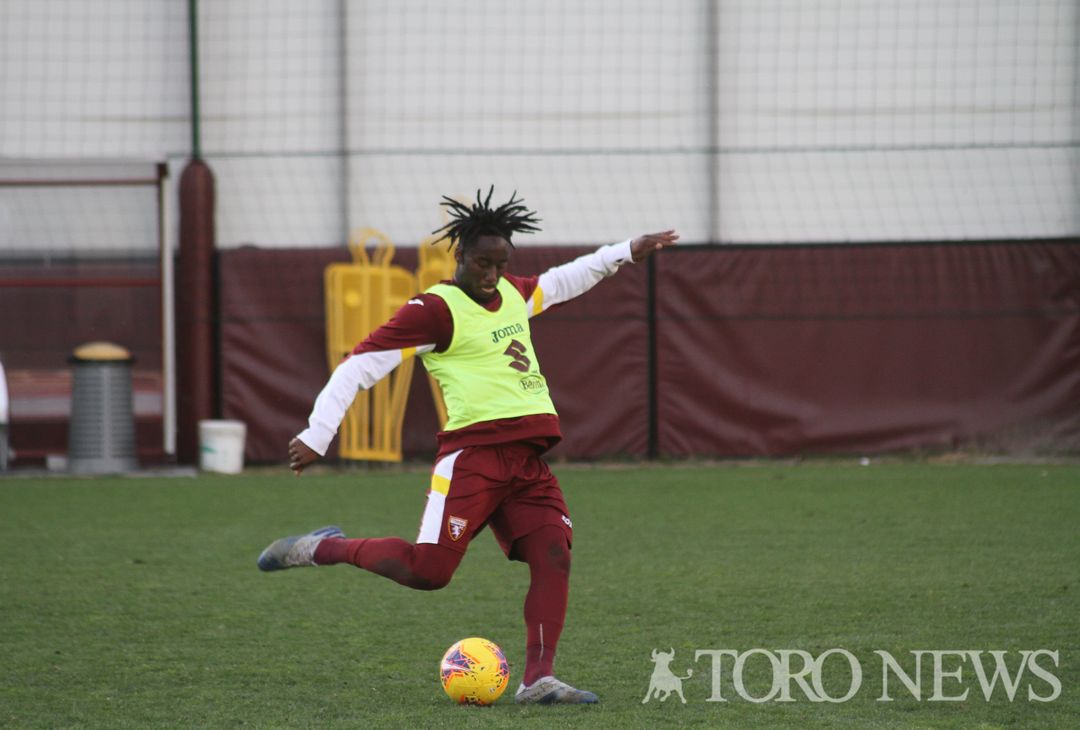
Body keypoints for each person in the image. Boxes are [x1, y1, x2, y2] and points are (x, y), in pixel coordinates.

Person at [257, 187, 678, 704]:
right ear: (459, 256)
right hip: (473, 460)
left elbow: (565, 280)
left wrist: (623, 251)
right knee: (428, 573)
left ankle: (537, 681)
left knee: (554, 553)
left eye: (500, 264)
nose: (491, 275)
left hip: (526, 462)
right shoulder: (435, 310)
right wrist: (317, 434)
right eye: (482, 263)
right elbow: (359, 365)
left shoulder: (514, 295)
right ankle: (323, 548)